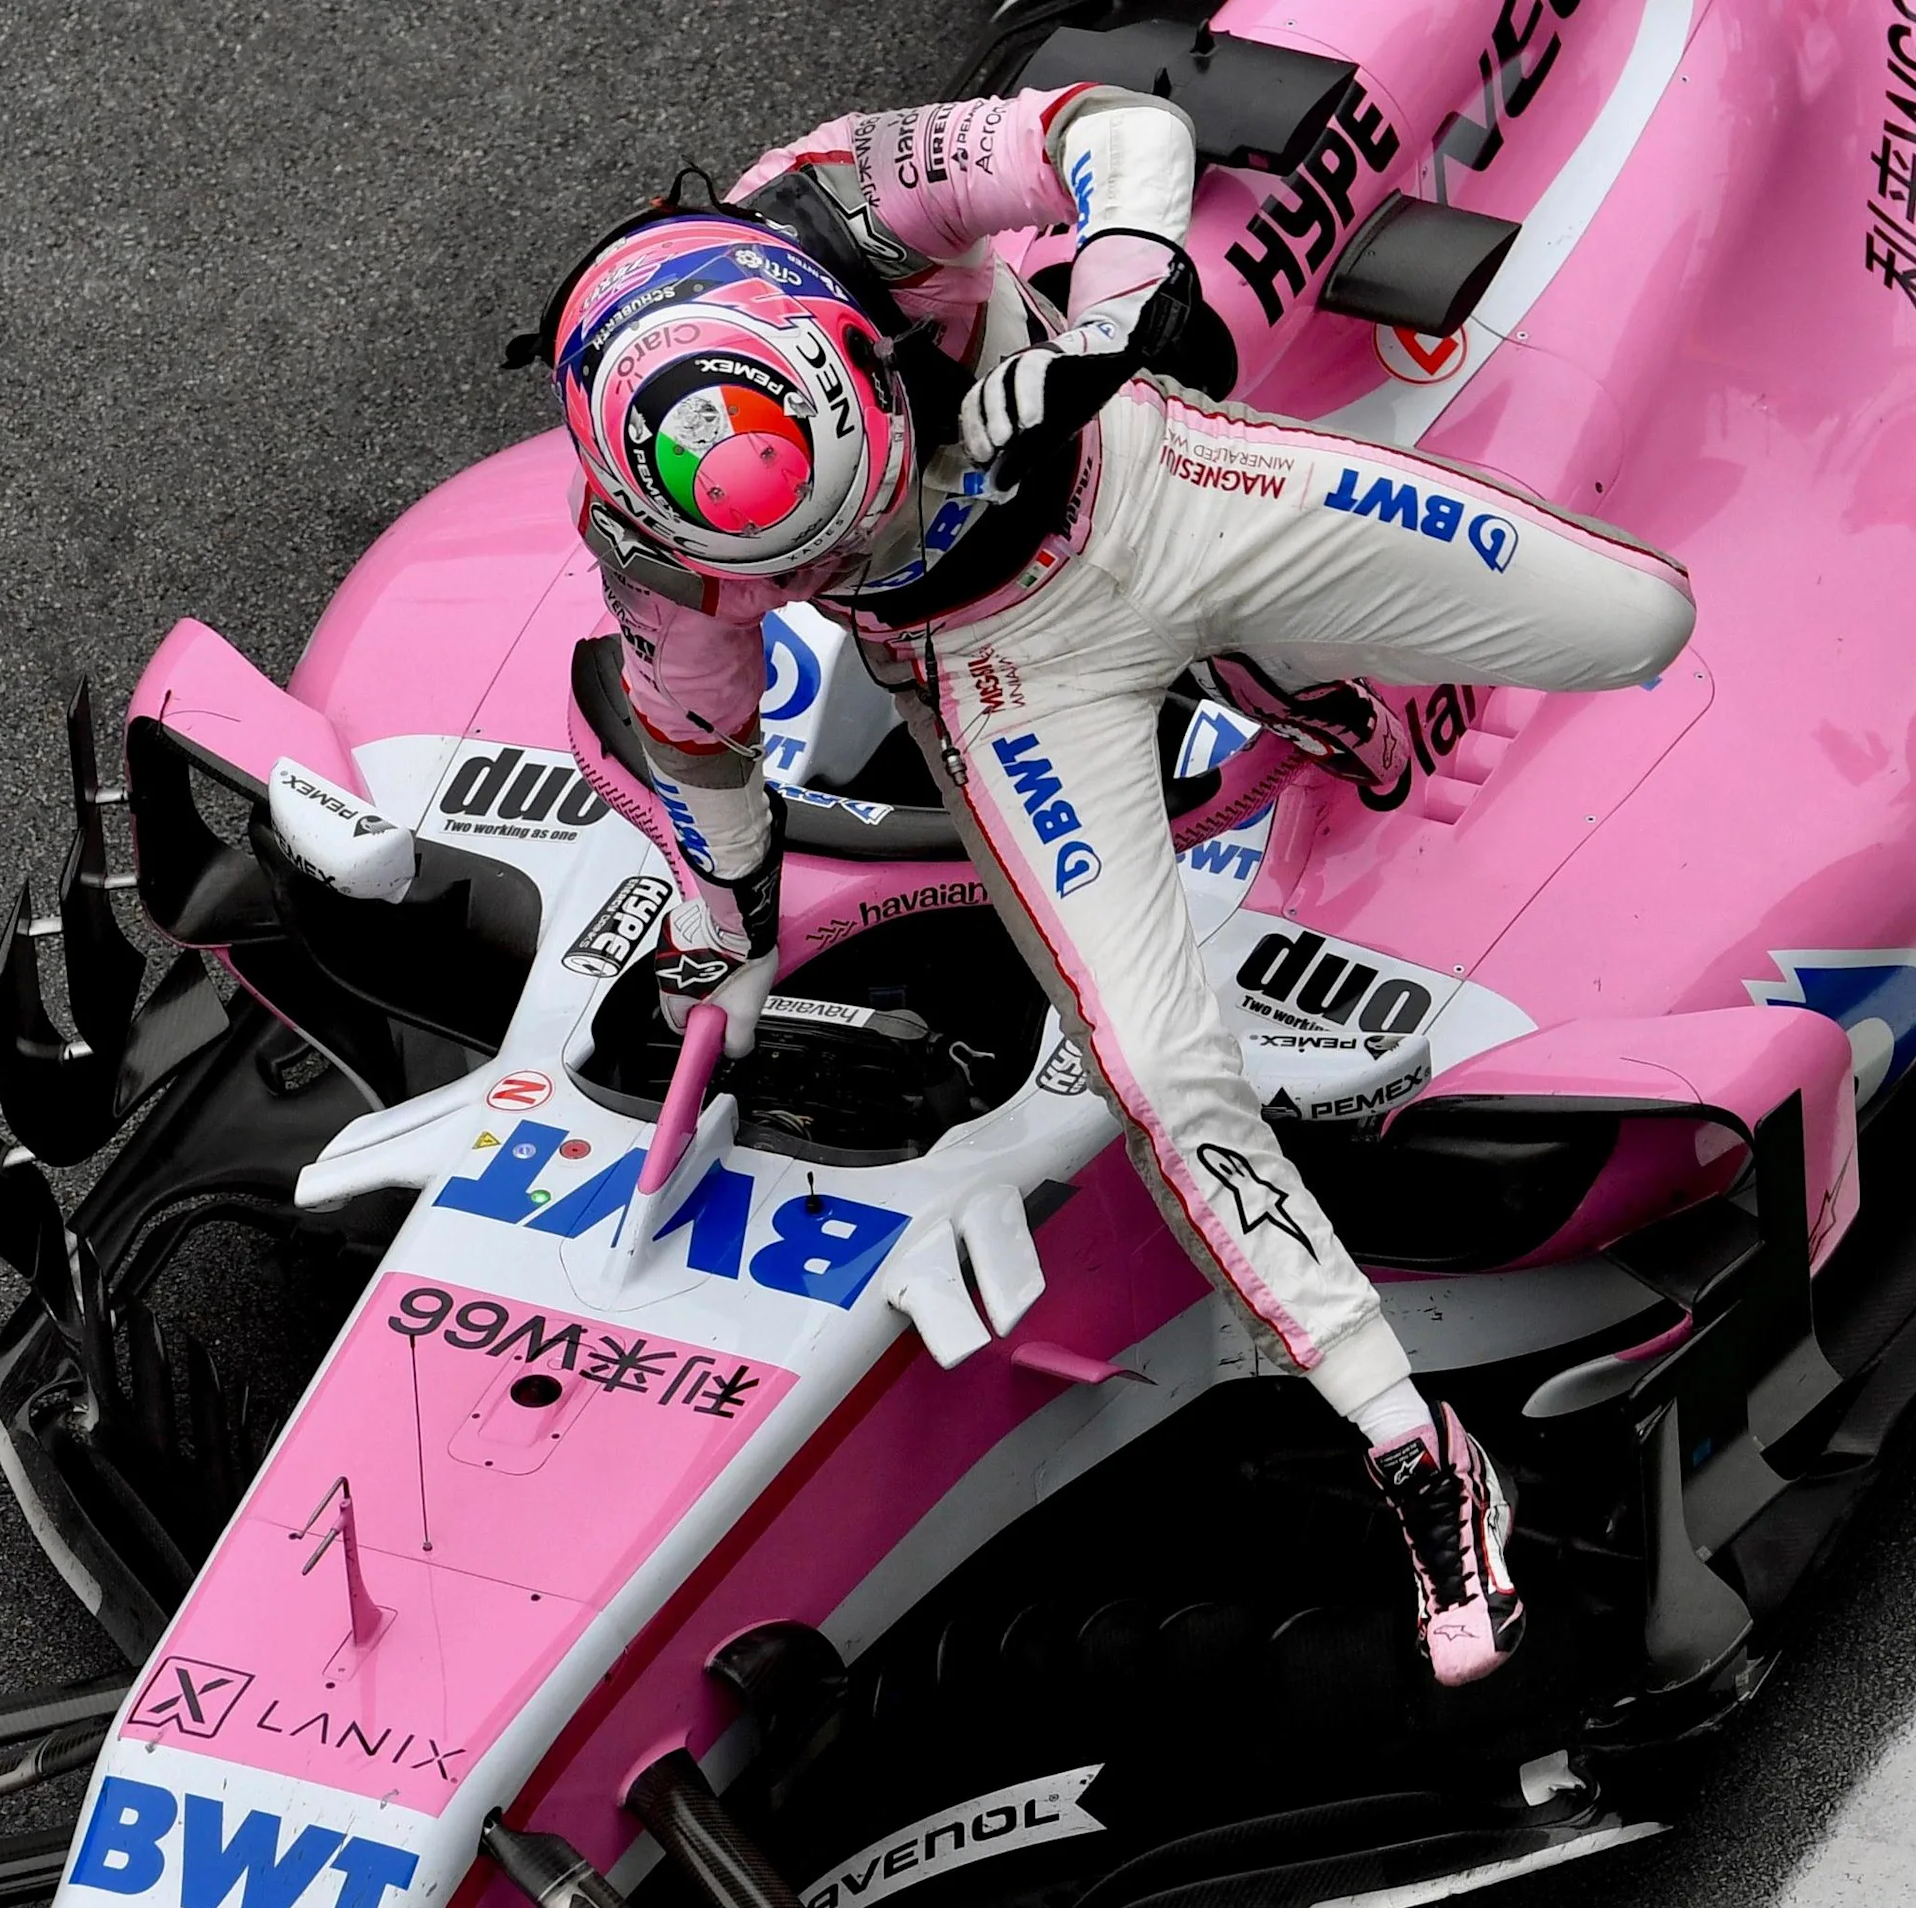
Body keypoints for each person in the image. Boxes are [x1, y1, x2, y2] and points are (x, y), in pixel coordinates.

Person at [533, 84, 1694, 1687]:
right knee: (1161, 1073)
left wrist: (1118, 301)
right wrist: (720, 931)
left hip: (1150, 479)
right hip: (1007, 685)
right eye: (792, 566)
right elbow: (699, 742)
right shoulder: (658, 548)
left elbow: (1121, 127)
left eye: (852, 503)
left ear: (844, 353)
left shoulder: (838, 202)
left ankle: (1264, 662)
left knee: (1640, 625)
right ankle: (1415, 1448)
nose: (836, 550)